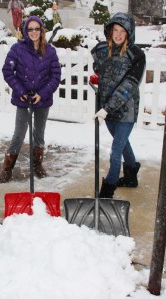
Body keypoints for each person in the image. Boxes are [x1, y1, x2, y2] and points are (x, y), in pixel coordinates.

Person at [0, 15, 61, 183]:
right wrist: (20, 91)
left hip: (42, 99)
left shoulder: (49, 51)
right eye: (30, 29)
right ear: (26, 31)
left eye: (37, 29)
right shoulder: (17, 49)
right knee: (19, 134)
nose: (33, 32)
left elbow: (56, 76)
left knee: (39, 134)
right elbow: (7, 71)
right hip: (23, 98)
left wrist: (43, 93)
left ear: (42, 31)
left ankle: (37, 165)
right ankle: (7, 167)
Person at [91, 12, 146, 198]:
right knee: (122, 144)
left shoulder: (137, 55)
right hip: (106, 110)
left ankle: (108, 189)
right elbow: (98, 68)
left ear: (129, 33)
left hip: (125, 111)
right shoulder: (103, 50)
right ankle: (131, 174)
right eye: (115, 30)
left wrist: (106, 108)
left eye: (123, 31)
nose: (119, 34)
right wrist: (97, 76)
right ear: (110, 31)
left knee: (115, 152)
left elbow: (128, 86)